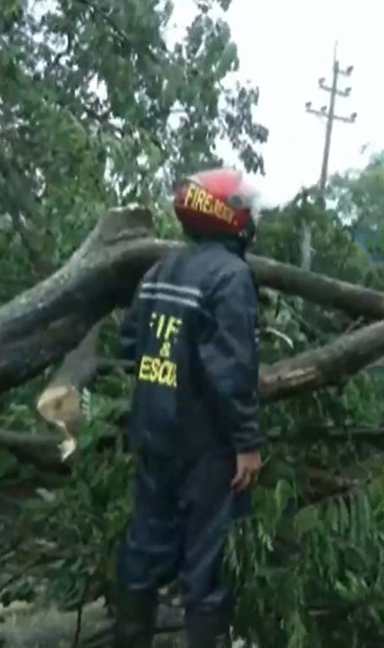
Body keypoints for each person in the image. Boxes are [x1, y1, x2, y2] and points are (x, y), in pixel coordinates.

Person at [113, 168, 264, 647]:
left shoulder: (160, 270)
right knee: (207, 565)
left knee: (144, 549)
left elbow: (129, 341)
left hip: (154, 430)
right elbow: (231, 372)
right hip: (206, 445)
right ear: (230, 216)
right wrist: (247, 444)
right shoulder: (232, 276)